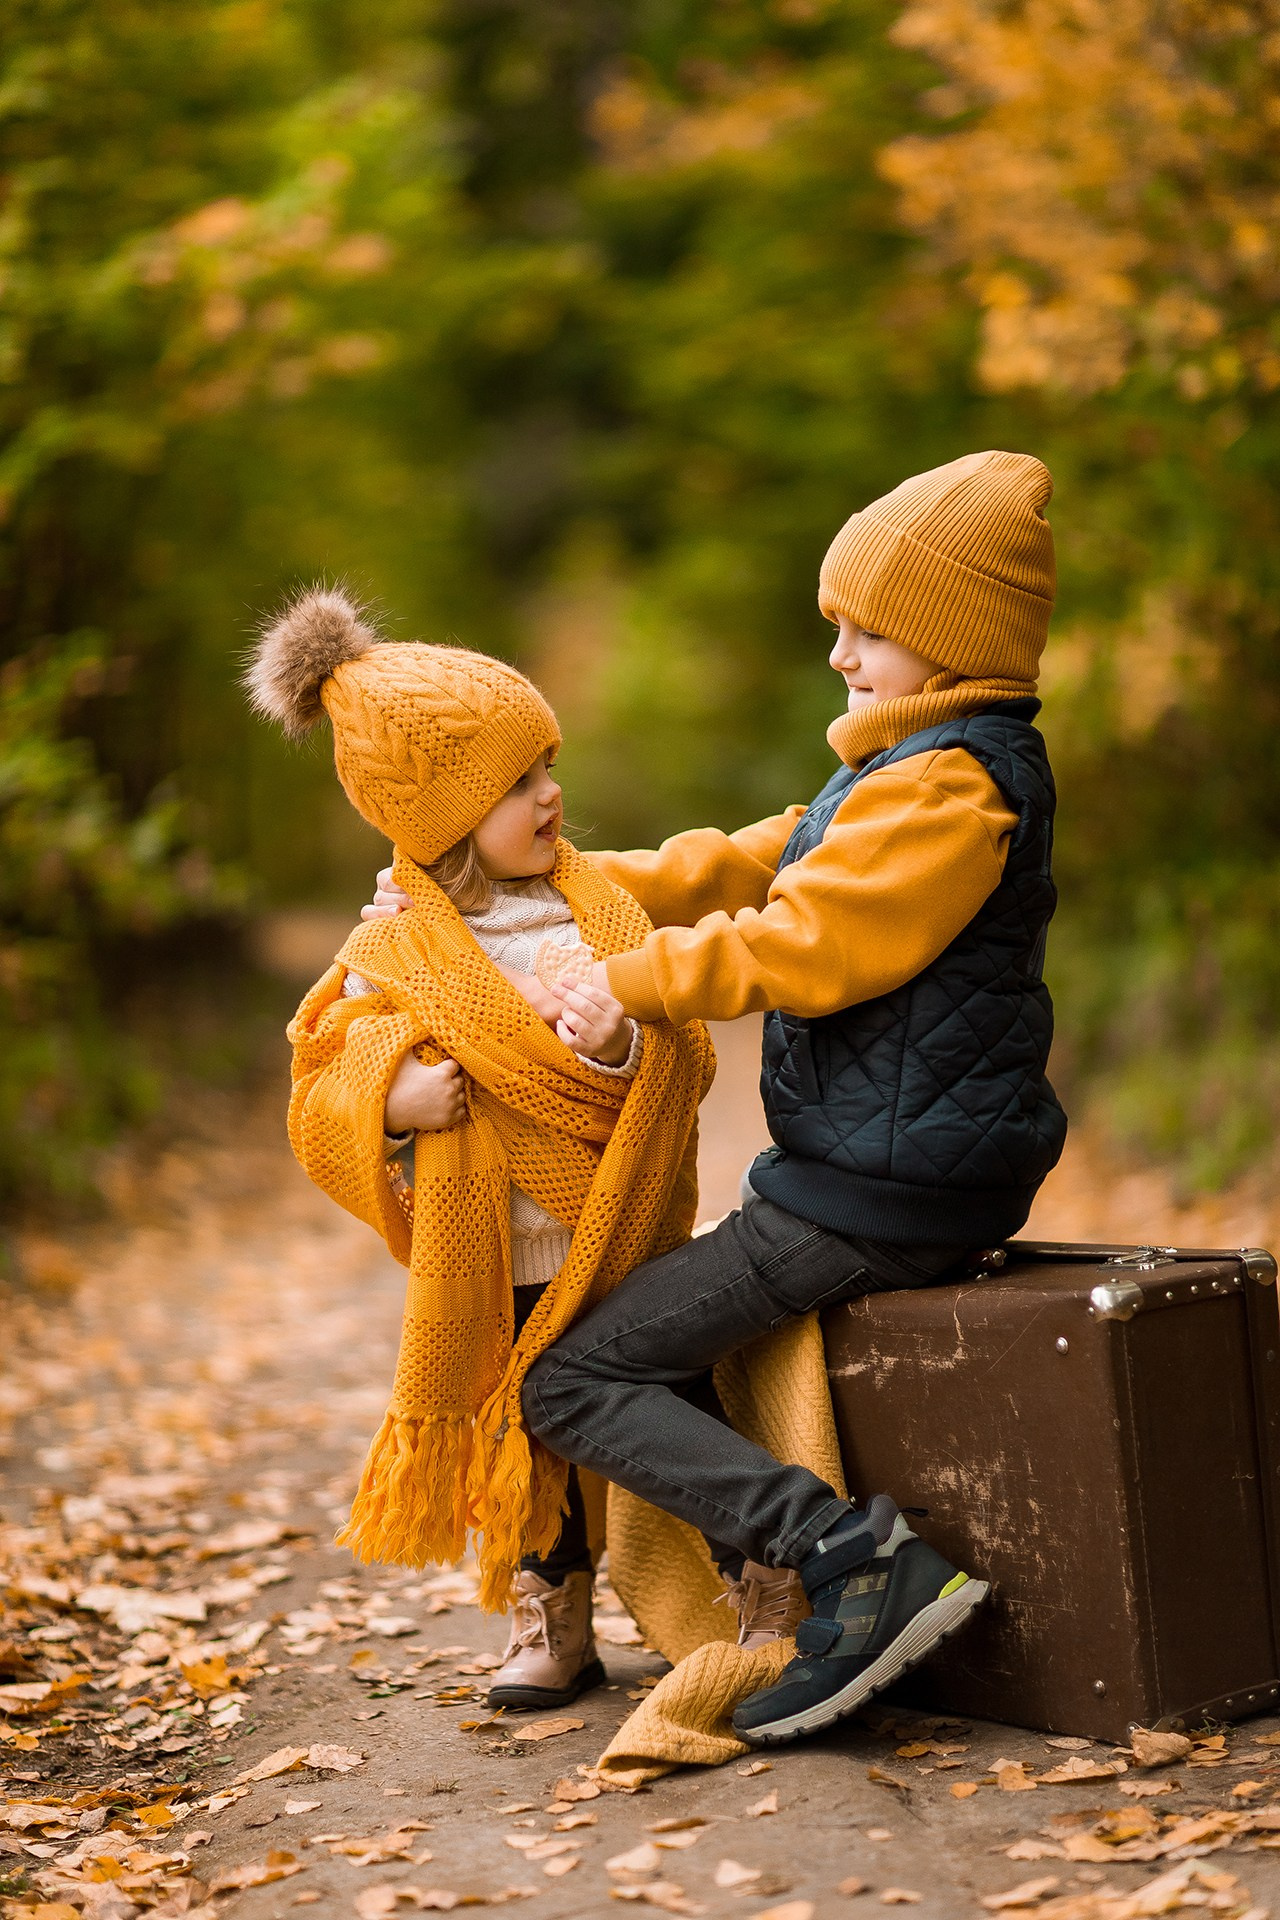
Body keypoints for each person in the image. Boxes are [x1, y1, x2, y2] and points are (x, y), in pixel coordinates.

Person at [365, 449, 1069, 1747]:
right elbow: (744, 858)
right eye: (839, 628)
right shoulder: (906, 773)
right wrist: (539, 894)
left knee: (567, 1381)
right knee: (640, 1339)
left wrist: (631, 981)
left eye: (873, 632)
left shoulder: (952, 792)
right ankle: (764, 1573)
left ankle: (856, 1562)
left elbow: (810, 936)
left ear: (958, 643)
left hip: (882, 1185)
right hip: (871, 1164)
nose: (843, 658)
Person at [245, 588, 716, 1710]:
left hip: (619, 1219)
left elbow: (676, 1054)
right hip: (498, 1244)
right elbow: (325, 1074)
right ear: (443, 819)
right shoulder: (396, 942)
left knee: (680, 1400)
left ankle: (740, 1588)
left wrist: (611, 1051)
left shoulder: (592, 909)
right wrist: (395, 1102)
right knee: (531, 1440)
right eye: (515, 784)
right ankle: (550, 1616)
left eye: (547, 765)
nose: (549, 795)